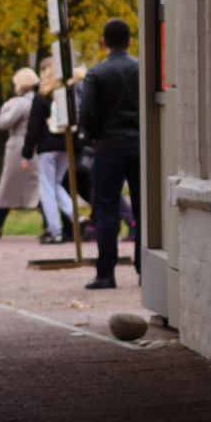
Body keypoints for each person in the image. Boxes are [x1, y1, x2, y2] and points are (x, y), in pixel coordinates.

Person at [72, 15, 141, 291]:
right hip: (139, 147)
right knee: (142, 208)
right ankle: (145, 270)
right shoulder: (141, 69)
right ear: (130, 41)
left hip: (108, 147)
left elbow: (87, 113)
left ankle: (106, 272)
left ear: (104, 43)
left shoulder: (96, 74)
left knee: (106, 209)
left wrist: (94, 137)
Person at [22, 50, 74, 245]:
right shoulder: (65, 93)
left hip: (47, 147)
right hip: (65, 146)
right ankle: (76, 217)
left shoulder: (42, 96)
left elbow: (33, 127)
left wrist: (26, 154)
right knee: (57, 184)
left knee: (47, 189)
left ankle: (55, 231)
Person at [0, 65, 41, 240]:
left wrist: (6, 106)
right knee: (35, 186)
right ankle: (50, 224)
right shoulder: (37, 100)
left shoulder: (20, 103)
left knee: (8, 185)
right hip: (33, 146)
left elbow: (4, 123)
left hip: (18, 147)